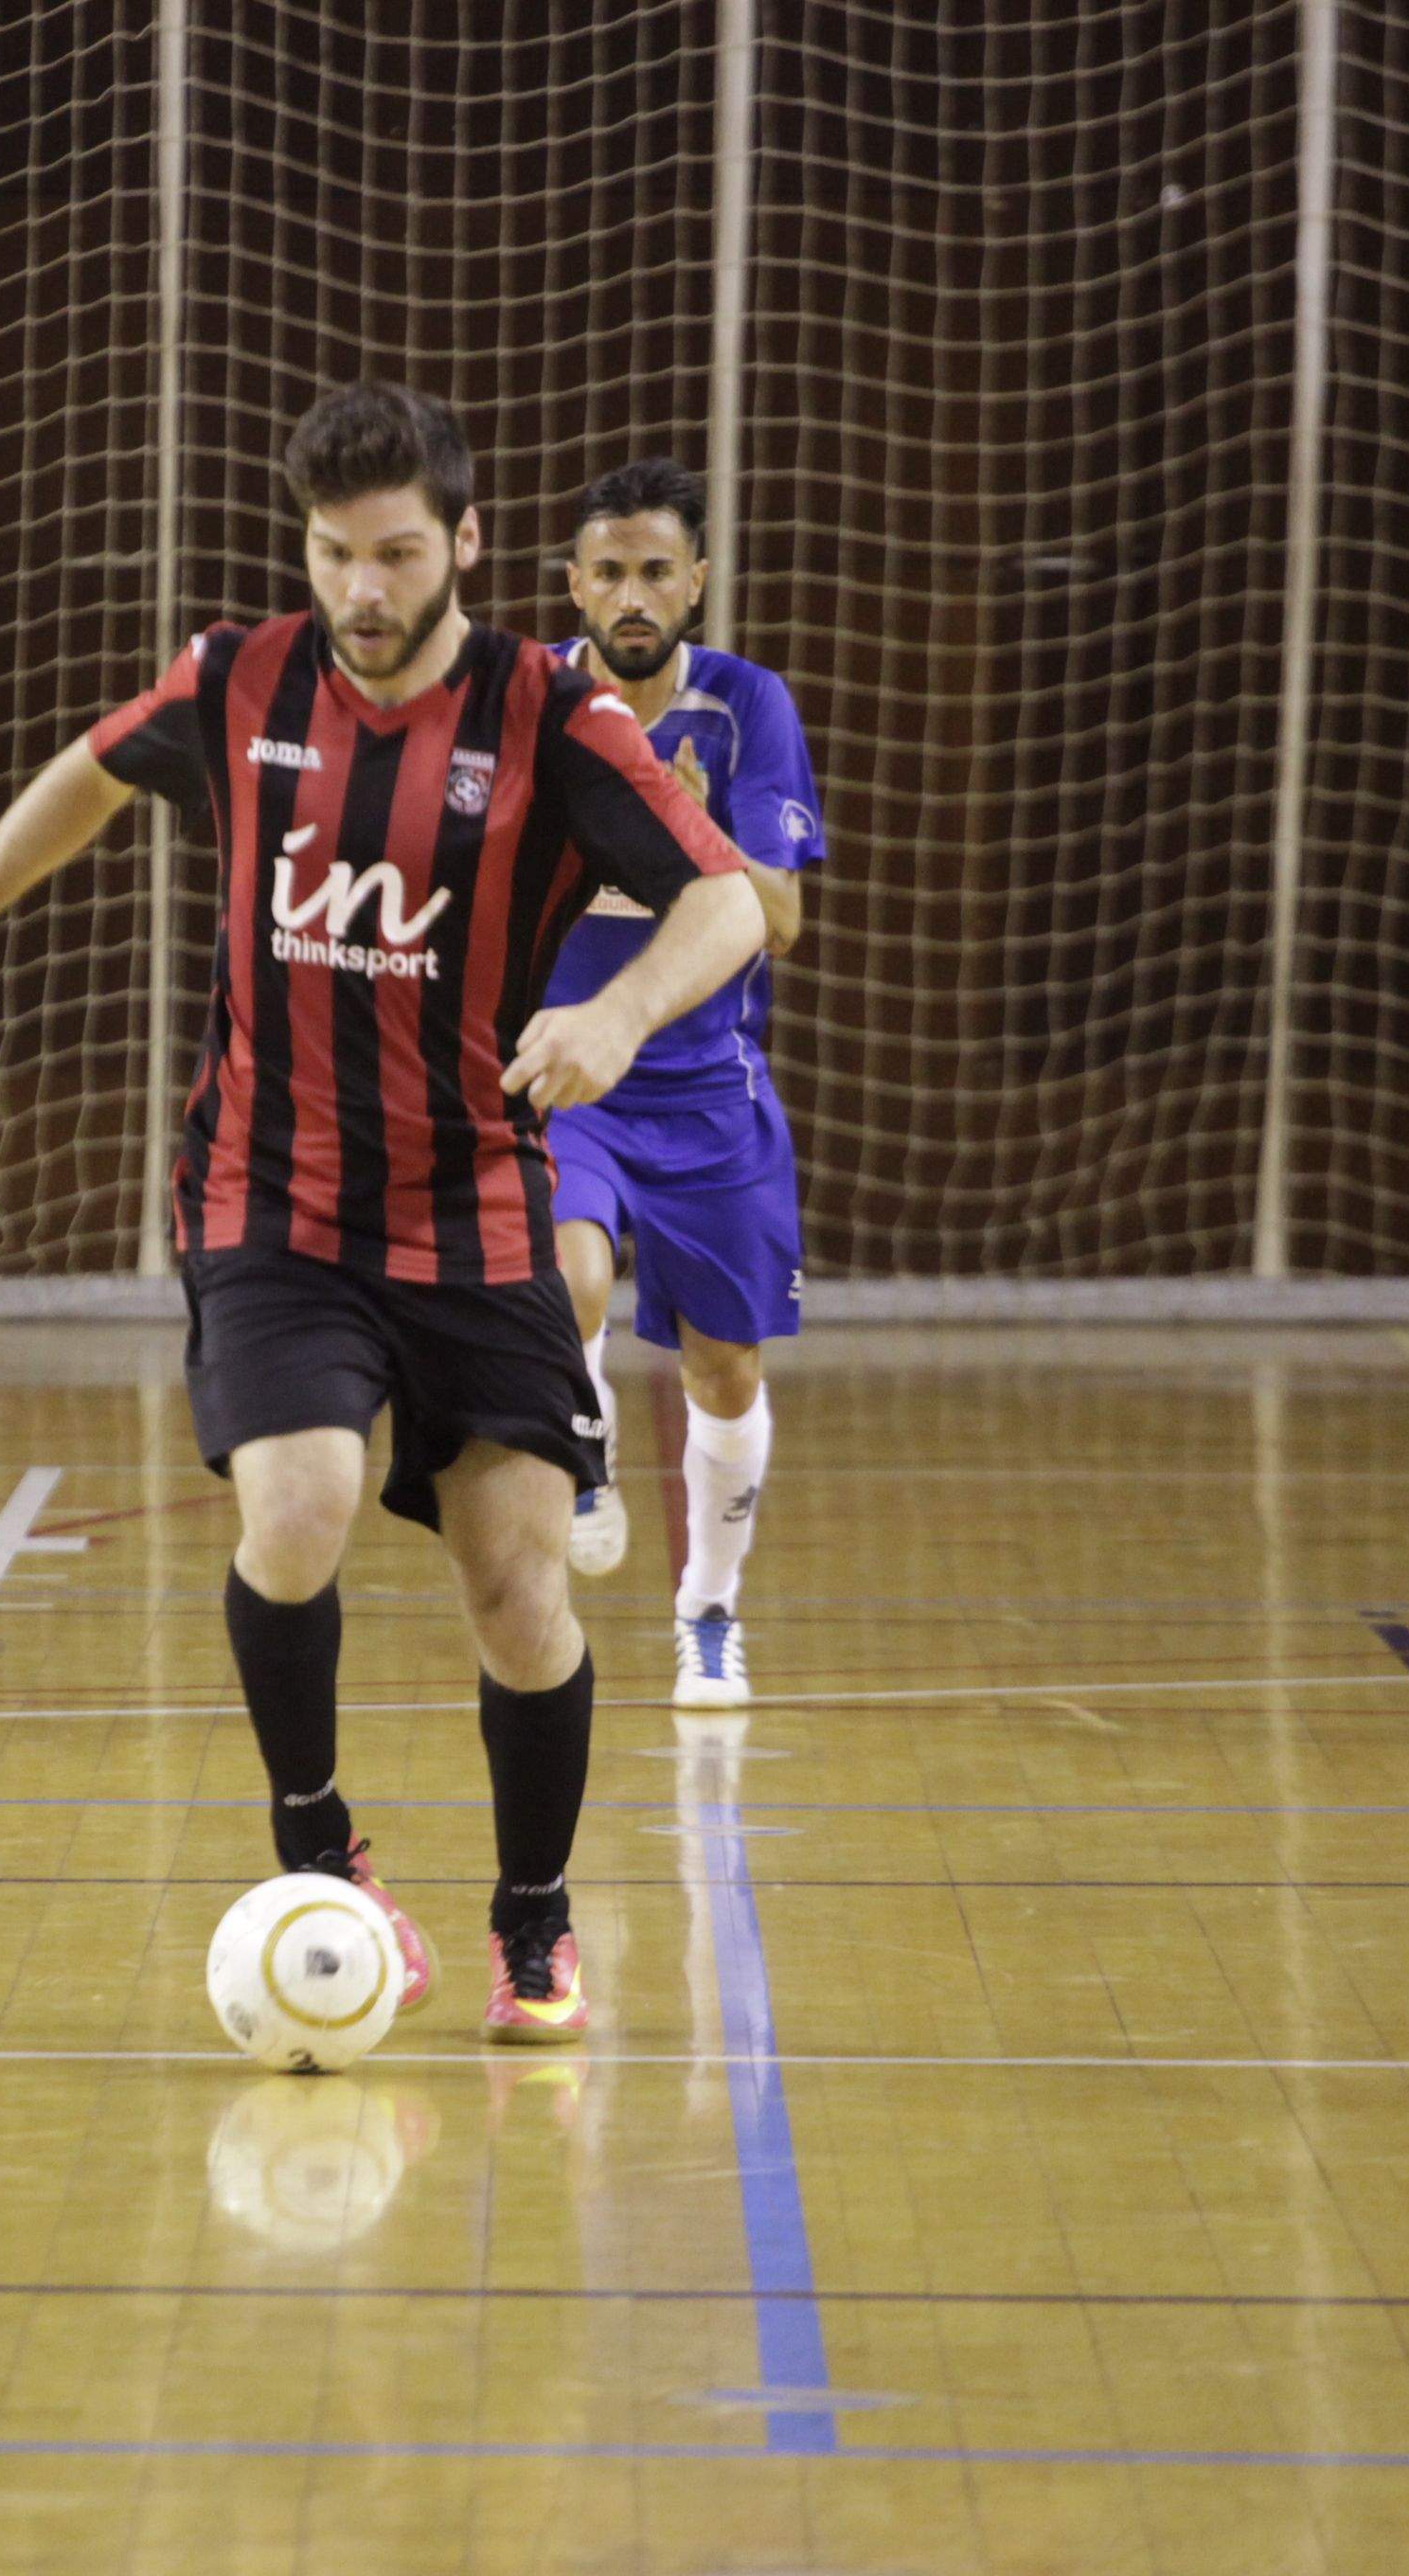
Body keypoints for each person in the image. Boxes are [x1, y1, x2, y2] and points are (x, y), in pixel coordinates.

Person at [0, 384, 765, 2044]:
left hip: (479, 1213)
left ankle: (535, 1917)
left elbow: (725, 900)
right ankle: (319, 1852)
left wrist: (615, 1019)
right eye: (330, 554)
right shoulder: (241, 678)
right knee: (295, 1509)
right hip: (272, 1198)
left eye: (392, 555)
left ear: (463, 544)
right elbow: (87, 775)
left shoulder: (550, 713)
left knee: (521, 1591)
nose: (361, 592)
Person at [543, 457, 826, 1710]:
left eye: (657, 570)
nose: (634, 594)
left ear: (697, 579)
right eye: (609, 572)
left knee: (727, 1371)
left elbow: (781, 921)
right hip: (572, 1062)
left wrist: (690, 828)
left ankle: (708, 1609)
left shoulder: (745, 707)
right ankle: (581, 1437)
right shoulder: (533, 705)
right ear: (575, 587)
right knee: (568, 1271)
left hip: (709, 1083)